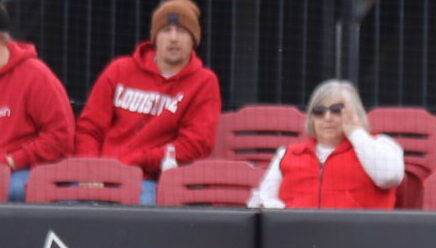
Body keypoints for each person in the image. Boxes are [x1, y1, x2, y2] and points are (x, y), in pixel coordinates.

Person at [74, 0, 220, 205]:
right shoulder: (119, 70)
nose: (174, 38)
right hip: (99, 176)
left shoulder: (204, 82)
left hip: (151, 181)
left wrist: (135, 161)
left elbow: (195, 145)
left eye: (183, 31)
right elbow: (89, 128)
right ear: (155, 37)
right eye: (166, 30)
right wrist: (90, 169)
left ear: (194, 39)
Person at [247, 79, 404, 210]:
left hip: (357, 240)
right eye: (319, 110)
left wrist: (355, 131)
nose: (327, 117)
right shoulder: (287, 154)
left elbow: (389, 177)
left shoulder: (380, 146)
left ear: (355, 113)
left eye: (337, 110)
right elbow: (262, 200)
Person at [0, 2, 75, 201]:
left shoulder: (35, 75)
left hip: (23, 169)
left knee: (13, 189)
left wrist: (13, 160)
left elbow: (60, 137)